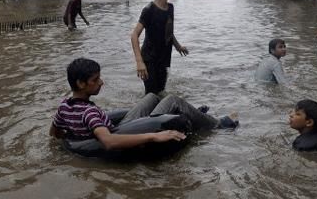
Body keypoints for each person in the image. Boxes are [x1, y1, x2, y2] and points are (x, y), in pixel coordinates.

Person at [49, 58, 237, 150]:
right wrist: (152, 137)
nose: (101, 82)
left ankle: (193, 113)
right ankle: (217, 125)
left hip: (114, 125)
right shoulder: (89, 113)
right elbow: (108, 141)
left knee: (152, 97)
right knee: (172, 100)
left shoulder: (64, 106)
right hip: (119, 131)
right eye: (95, 80)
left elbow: (54, 133)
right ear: (81, 84)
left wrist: (72, 136)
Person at [130, 0, 188, 95]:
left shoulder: (170, 8)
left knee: (161, 92)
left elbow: (168, 32)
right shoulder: (149, 10)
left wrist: (178, 47)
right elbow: (134, 35)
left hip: (163, 58)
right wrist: (139, 62)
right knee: (151, 95)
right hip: (149, 59)